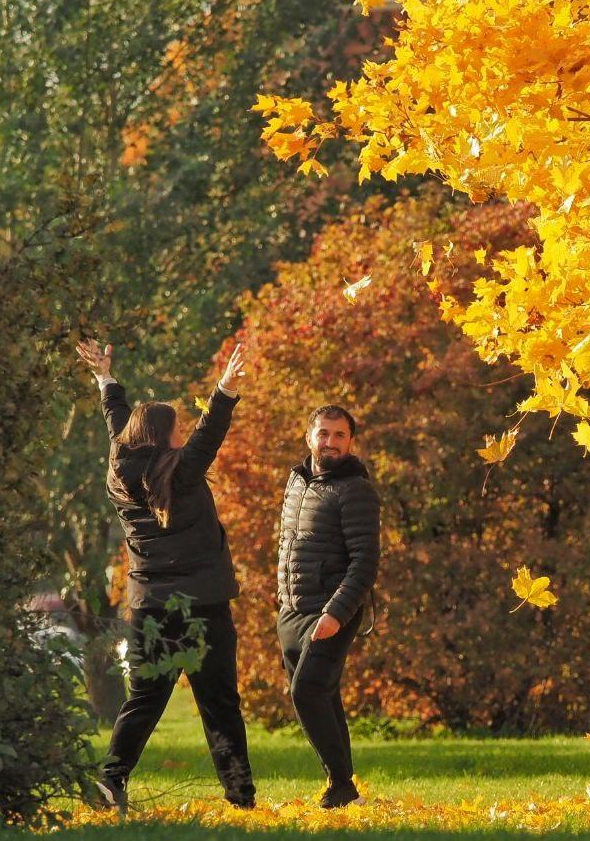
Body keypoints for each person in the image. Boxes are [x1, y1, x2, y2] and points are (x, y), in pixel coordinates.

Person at [76, 338, 255, 814]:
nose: (183, 433)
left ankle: (111, 781)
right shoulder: (183, 472)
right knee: (219, 703)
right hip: (202, 606)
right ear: (163, 436)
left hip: (151, 606)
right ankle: (240, 796)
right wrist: (225, 389)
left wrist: (104, 377)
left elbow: (117, 419)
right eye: (177, 428)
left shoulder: (120, 464)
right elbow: (210, 433)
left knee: (143, 699)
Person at [276, 405, 381, 809]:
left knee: (307, 692)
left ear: (351, 442)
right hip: (291, 609)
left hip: (331, 611)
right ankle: (344, 786)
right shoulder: (297, 480)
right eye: (324, 433)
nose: (331, 442)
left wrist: (335, 614)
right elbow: (288, 544)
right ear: (309, 437)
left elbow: (365, 562)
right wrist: (281, 599)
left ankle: (340, 785)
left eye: (340, 435)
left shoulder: (356, 490)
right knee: (324, 695)